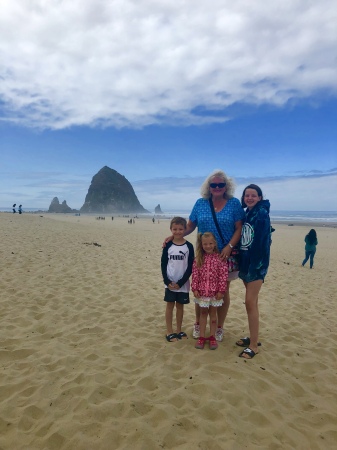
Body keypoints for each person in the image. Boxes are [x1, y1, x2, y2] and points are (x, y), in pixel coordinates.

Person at [164, 169, 245, 342]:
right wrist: (175, 237)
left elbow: (239, 228)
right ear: (208, 187)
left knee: (223, 291)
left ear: (226, 186)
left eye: (220, 185)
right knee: (200, 290)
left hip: (225, 255)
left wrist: (230, 247)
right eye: (213, 184)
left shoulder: (234, 203)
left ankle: (219, 327)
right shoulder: (200, 203)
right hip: (202, 254)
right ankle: (198, 325)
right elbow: (190, 226)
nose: (217, 187)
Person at [236, 184, 271, 359]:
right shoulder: (248, 213)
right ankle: (253, 338)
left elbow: (263, 242)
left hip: (256, 266)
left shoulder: (262, 214)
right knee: (253, 304)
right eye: (247, 195)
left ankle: (253, 347)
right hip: (246, 263)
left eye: (253, 195)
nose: (249, 198)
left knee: (249, 302)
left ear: (259, 197)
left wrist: (255, 266)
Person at [191, 232, 228, 350]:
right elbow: (195, 275)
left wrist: (221, 290)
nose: (208, 246)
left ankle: (212, 337)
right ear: (201, 245)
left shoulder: (220, 259)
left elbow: (223, 276)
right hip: (202, 293)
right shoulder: (198, 259)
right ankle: (202, 337)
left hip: (214, 294)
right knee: (202, 314)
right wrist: (195, 288)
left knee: (213, 315)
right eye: (205, 244)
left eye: (210, 243)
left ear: (215, 243)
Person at [161, 217, 194, 342]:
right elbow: (163, 264)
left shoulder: (189, 246)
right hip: (169, 282)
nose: (178, 231)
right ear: (171, 229)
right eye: (175, 229)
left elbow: (190, 266)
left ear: (185, 229)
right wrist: (167, 281)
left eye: (181, 229)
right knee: (170, 306)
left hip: (183, 284)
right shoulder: (168, 245)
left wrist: (181, 283)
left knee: (180, 306)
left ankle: (179, 330)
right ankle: (169, 331)